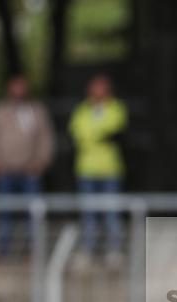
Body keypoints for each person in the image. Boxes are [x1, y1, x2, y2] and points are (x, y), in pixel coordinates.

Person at [0, 74, 55, 256]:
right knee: (4, 212)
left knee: (33, 213)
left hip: (30, 172)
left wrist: (41, 163)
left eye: (22, 87)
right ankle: (4, 250)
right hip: (4, 171)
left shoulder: (37, 111)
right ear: (9, 88)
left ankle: (33, 250)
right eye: (15, 87)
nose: (19, 91)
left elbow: (46, 138)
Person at [69, 74, 128, 266]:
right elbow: (78, 133)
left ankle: (114, 250)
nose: (98, 91)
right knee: (88, 212)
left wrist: (93, 135)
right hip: (86, 169)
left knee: (112, 211)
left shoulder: (116, 108)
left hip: (110, 169)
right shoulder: (82, 110)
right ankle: (88, 250)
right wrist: (99, 134)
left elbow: (115, 129)